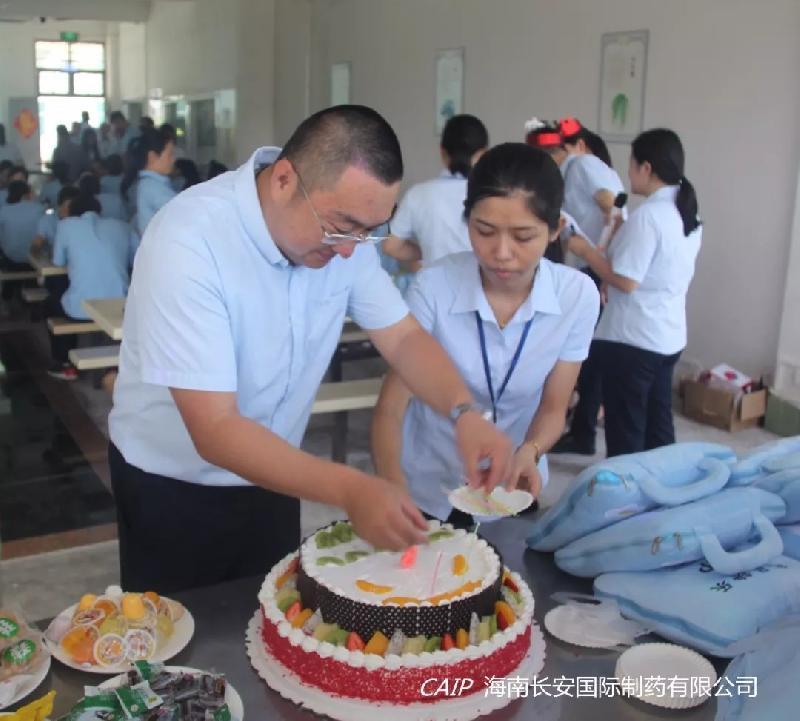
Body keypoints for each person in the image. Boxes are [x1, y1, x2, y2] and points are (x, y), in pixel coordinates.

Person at [107, 105, 513, 593]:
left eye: (368, 231)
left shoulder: (346, 241)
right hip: (172, 487)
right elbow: (215, 429)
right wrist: (351, 488)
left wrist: (465, 412)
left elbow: (403, 337)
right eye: (341, 226)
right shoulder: (190, 240)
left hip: (278, 472)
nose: (350, 249)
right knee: (178, 631)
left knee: (270, 618)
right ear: (283, 180)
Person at [371, 143, 599, 524]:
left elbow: (553, 408)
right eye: (485, 231)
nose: (501, 252)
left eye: (523, 236)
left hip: (512, 485)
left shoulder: (576, 296)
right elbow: (390, 408)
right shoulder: (435, 286)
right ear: (468, 221)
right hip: (427, 481)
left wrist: (531, 451)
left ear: (555, 229)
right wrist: (393, 487)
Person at [566, 128, 702, 457]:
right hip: (667, 336)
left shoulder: (649, 217)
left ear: (646, 167)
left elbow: (627, 281)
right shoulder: (686, 212)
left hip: (634, 340)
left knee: (626, 429)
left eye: (631, 164)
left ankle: (627, 488)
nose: (628, 173)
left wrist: (584, 251)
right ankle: (664, 481)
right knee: (658, 424)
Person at [46, 190, 136, 380]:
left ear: (72, 211)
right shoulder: (122, 226)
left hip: (80, 311)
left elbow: (57, 261)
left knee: (50, 304)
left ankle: (64, 364)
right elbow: (136, 260)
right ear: (99, 210)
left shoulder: (66, 226)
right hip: (119, 308)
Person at [383, 114, 489, 267]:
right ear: (483, 154)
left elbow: (391, 246)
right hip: (479, 280)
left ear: (442, 152)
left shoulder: (418, 194)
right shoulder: (491, 195)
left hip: (432, 280)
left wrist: (427, 251)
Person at [122, 127, 177, 235]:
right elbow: (182, 213)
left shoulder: (150, 183)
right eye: (170, 155)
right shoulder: (152, 187)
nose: (173, 159)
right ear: (152, 157)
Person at [0, 180, 44, 300]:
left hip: (11, 256)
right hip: (33, 257)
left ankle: (7, 297)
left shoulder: (4, 211)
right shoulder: (39, 209)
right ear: (28, 193)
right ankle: (31, 295)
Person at [32, 185, 81, 251]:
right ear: (59, 205)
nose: (72, 211)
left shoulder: (81, 221)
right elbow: (37, 244)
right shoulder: (48, 220)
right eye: (69, 207)